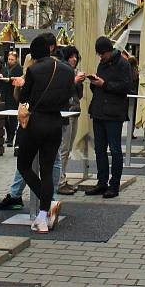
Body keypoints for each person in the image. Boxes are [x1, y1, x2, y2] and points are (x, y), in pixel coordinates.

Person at [15, 34, 76, 233]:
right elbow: (68, 97)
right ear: (49, 49)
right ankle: (42, 217)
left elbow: (24, 99)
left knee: (24, 166)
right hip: (56, 122)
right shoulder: (68, 70)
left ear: (33, 53)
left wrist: (20, 87)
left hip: (36, 123)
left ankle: (47, 204)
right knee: (47, 169)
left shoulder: (33, 70)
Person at [86, 36, 132, 199]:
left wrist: (104, 84)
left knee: (115, 149)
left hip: (114, 113)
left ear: (108, 51)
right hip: (99, 110)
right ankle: (101, 182)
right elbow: (101, 87)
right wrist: (94, 82)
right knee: (99, 149)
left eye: (101, 54)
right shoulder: (102, 64)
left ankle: (114, 185)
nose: (100, 57)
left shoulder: (123, 64)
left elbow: (126, 87)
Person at [57, 45, 85, 195]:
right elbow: (61, 90)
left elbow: (78, 96)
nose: (74, 59)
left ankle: (62, 178)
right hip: (65, 113)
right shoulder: (62, 70)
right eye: (71, 56)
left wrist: (80, 83)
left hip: (74, 112)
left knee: (67, 148)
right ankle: (59, 181)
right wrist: (74, 81)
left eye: (76, 56)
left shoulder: (73, 71)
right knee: (64, 148)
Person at [0, 52, 23, 148]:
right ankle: (8, 135)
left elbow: (20, 80)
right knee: (4, 117)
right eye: (9, 59)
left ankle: (11, 138)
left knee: (12, 118)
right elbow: (0, 75)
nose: (10, 61)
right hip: (5, 93)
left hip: (13, 95)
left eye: (12, 59)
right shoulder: (5, 67)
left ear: (16, 60)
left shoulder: (18, 69)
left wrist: (11, 79)